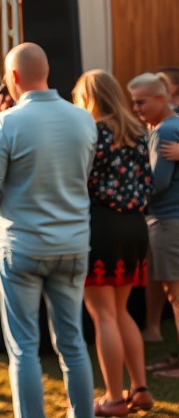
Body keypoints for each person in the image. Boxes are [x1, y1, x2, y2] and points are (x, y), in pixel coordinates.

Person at [0, 43, 97, 418]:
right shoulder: (84, 119)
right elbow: (81, 177)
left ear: (13, 77)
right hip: (73, 243)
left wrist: (5, 216)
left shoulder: (4, 123)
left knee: (24, 349)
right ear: (46, 72)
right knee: (73, 343)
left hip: (23, 245)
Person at [73, 70, 154, 415]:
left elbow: (78, 180)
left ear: (87, 98)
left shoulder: (90, 132)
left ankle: (114, 399)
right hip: (135, 226)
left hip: (101, 225)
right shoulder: (138, 132)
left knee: (104, 315)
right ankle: (140, 389)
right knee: (120, 311)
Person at [126, 72, 179, 374]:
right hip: (168, 220)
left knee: (176, 295)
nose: (135, 109)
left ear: (161, 98)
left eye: (141, 102)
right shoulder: (169, 126)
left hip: (168, 221)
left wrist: (123, 192)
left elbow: (156, 183)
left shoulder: (166, 130)